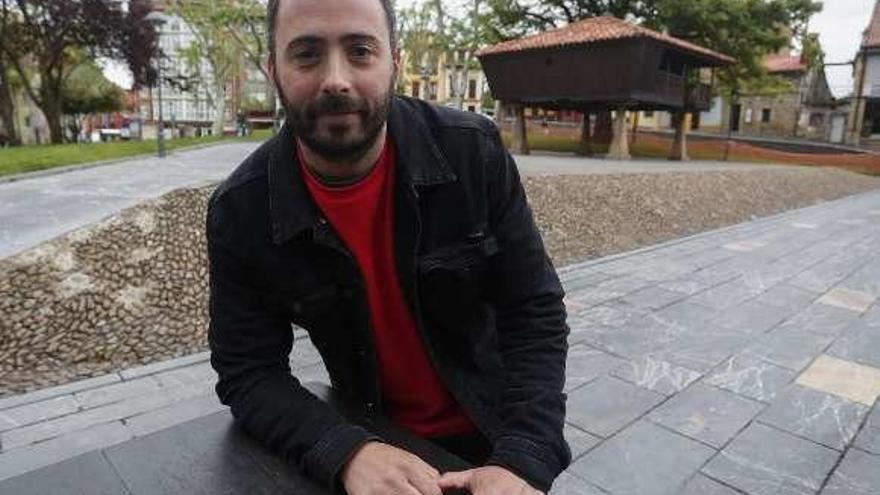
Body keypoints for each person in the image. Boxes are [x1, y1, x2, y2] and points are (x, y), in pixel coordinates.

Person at [206, 0, 571, 493]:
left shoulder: (472, 152)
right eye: (307, 55)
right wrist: (344, 449)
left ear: (394, 61)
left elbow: (534, 309)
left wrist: (523, 458)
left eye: (360, 51)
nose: (336, 79)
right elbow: (248, 371)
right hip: (368, 433)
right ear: (273, 69)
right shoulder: (240, 211)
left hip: (495, 434)